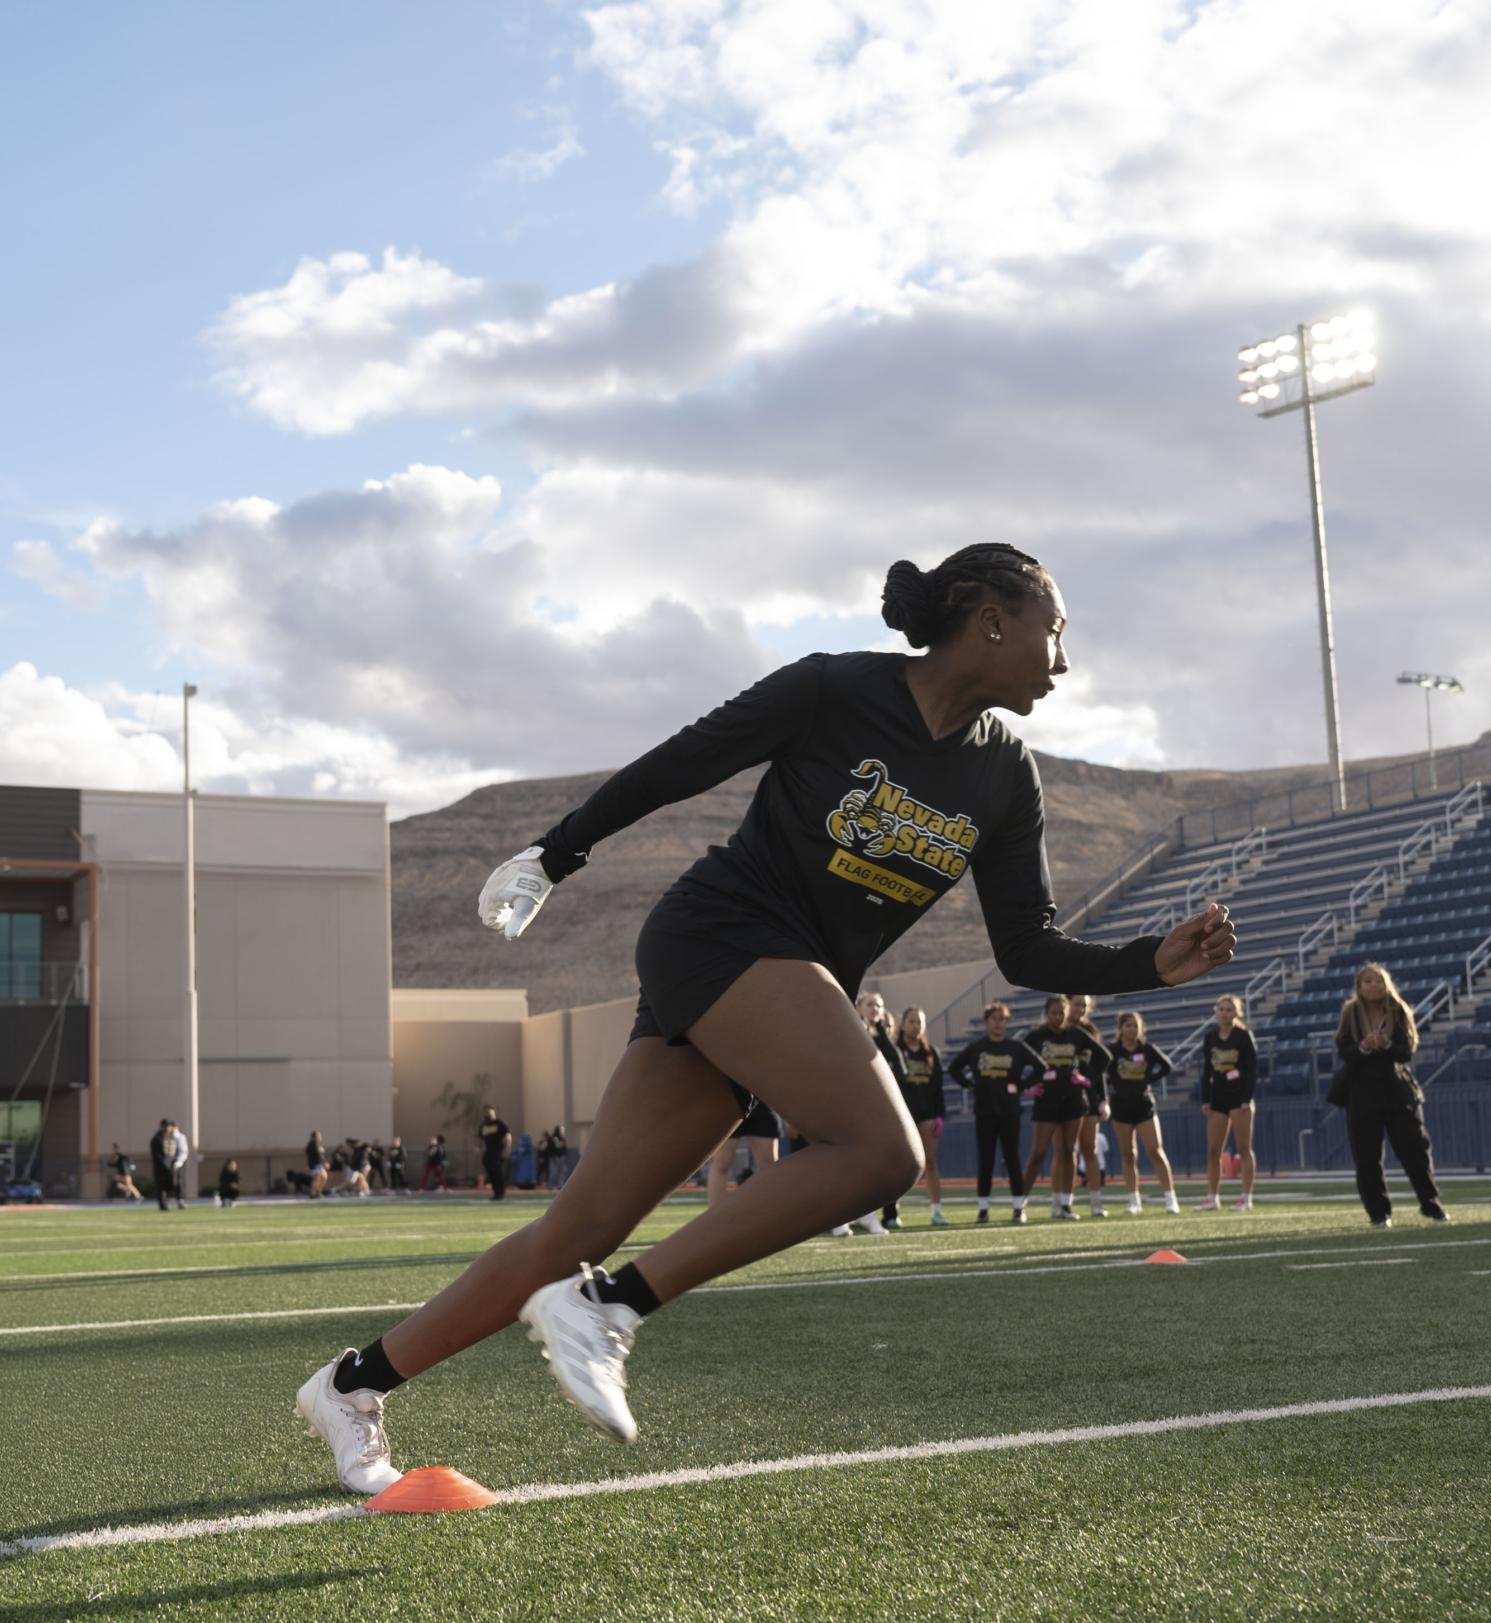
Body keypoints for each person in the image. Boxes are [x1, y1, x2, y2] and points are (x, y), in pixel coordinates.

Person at [293, 541, 1236, 1493]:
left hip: (779, 985)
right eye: (1055, 631)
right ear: (993, 619)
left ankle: (352, 1384)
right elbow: (686, 761)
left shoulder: (1005, 775)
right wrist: (554, 855)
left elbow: (1028, 946)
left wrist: (1149, 964)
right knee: (882, 1153)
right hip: (720, 935)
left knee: (576, 1229)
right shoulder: (837, 690)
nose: (1063, 659)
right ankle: (610, 1307)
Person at [1332, 963, 1446, 1228]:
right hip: (1361, 1093)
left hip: (1396, 1091)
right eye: (1368, 981)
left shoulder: (1397, 1010)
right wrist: (1364, 1047)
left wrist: (1387, 1045)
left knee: (1415, 1150)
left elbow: (1407, 1051)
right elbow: (1345, 1052)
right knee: (1367, 1157)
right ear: (1359, 987)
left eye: (1378, 981)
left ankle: (1431, 1204)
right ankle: (1378, 1213)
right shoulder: (1350, 1013)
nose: (1373, 985)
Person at [950, 1002, 1044, 1222]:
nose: (998, 1023)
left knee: (1012, 1159)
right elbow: (954, 1068)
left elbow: (1041, 1067)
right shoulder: (976, 1048)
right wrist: (969, 1085)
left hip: (1010, 1111)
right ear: (986, 1021)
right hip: (984, 1111)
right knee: (986, 1160)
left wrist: (1021, 1085)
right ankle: (983, 1209)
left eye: (1003, 1019)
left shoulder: (1016, 1048)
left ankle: (1019, 1208)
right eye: (994, 1018)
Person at [1020, 993, 1105, 1220]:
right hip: (1046, 1101)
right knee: (1038, 1152)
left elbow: (1104, 1057)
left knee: (1070, 1151)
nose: (1058, 1017)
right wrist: (1027, 1086)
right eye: (1054, 1013)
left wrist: (1088, 1080)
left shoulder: (1077, 1034)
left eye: (1061, 1013)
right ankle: (1019, 1204)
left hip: (1074, 1100)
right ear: (1046, 1013)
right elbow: (1017, 1060)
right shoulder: (1037, 1036)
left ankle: (1066, 1205)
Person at [1106, 1010, 1176, 1214]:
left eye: (1135, 1025)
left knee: (1155, 1149)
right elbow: (1101, 1072)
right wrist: (1113, 1084)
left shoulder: (1147, 1049)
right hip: (1121, 1106)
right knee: (1128, 1154)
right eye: (1127, 1025)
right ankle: (1133, 1200)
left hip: (1144, 1104)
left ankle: (1170, 1198)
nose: (1132, 1029)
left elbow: (1166, 1066)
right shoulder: (1112, 1051)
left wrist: (1147, 1080)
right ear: (1120, 1029)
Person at [1198, 994, 1258, 1211]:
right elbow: (1206, 1071)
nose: (1224, 1013)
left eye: (1229, 1009)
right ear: (1216, 1011)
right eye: (1221, 1008)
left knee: (1243, 1148)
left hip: (1239, 1098)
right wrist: (1205, 1099)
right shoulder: (1210, 1038)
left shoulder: (1243, 1036)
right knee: (1213, 1150)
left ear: (1237, 1013)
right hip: (1218, 1098)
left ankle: (1246, 1197)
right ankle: (1212, 1197)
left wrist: (1246, 1098)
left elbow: (1252, 1070)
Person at [853, 991, 906, 1231]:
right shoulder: (851, 1028)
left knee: (876, 1158)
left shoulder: (881, 1034)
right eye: (870, 1004)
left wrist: (882, 1030)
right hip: (853, 1100)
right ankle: (843, 1215)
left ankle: (867, 1213)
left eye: (879, 1006)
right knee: (851, 1159)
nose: (875, 1009)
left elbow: (898, 1063)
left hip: (876, 1103)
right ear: (858, 1007)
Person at [895, 1006, 950, 1225]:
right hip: (903, 1114)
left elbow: (938, 1087)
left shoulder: (931, 1053)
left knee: (931, 1162)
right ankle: (893, 1213)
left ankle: (936, 1211)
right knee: (900, 1164)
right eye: (911, 1021)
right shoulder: (896, 1050)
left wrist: (940, 1116)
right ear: (903, 1024)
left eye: (919, 1022)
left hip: (927, 1114)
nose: (916, 1026)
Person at [1065, 993, 1117, 1218]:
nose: (1081, 1009)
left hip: (1089, 1097)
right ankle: (1065, 1203)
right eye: (1077, 1005)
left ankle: (1096, 1202)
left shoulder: (1091, 1032)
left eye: (1084, 1006)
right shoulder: (1059, 1032)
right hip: (1064, 1098)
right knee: (1067, 1152)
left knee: (1090, 1149)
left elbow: (1100, 1070)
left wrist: (1103, 1099)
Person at [706, 1097, 784, 1208]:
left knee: (769, 1167)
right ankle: (714, 1214)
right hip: (730, 1100)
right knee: (722, 1164)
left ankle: (771, 1211)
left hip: (761, 1100)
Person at [147, 1118, 185, 1213]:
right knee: (161, 1187)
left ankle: (168, 1202)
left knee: (171, 1185)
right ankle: (163, 1205)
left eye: (169, 1126)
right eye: (167, 1126)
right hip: (161, 1168)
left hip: (170, 1166)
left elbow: (176, 1152)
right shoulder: (156, 1139)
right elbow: (157, 1156)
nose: (168, 1128)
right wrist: (165, 1165)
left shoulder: (171, 1138)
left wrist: (175, 1163)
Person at [479, 1107, 513, 1201]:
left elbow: (507, 1135)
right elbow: (480, 1138)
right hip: (488, 1153)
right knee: (491, 1174)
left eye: (490, 1113)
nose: (489, 1115)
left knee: (498, 1173)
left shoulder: (499, 1123)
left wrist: (507, 1148)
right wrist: (479, 1148)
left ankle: (501, 1192)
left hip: (498, 1152)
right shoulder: (483, 1125)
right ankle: (496, 1193)